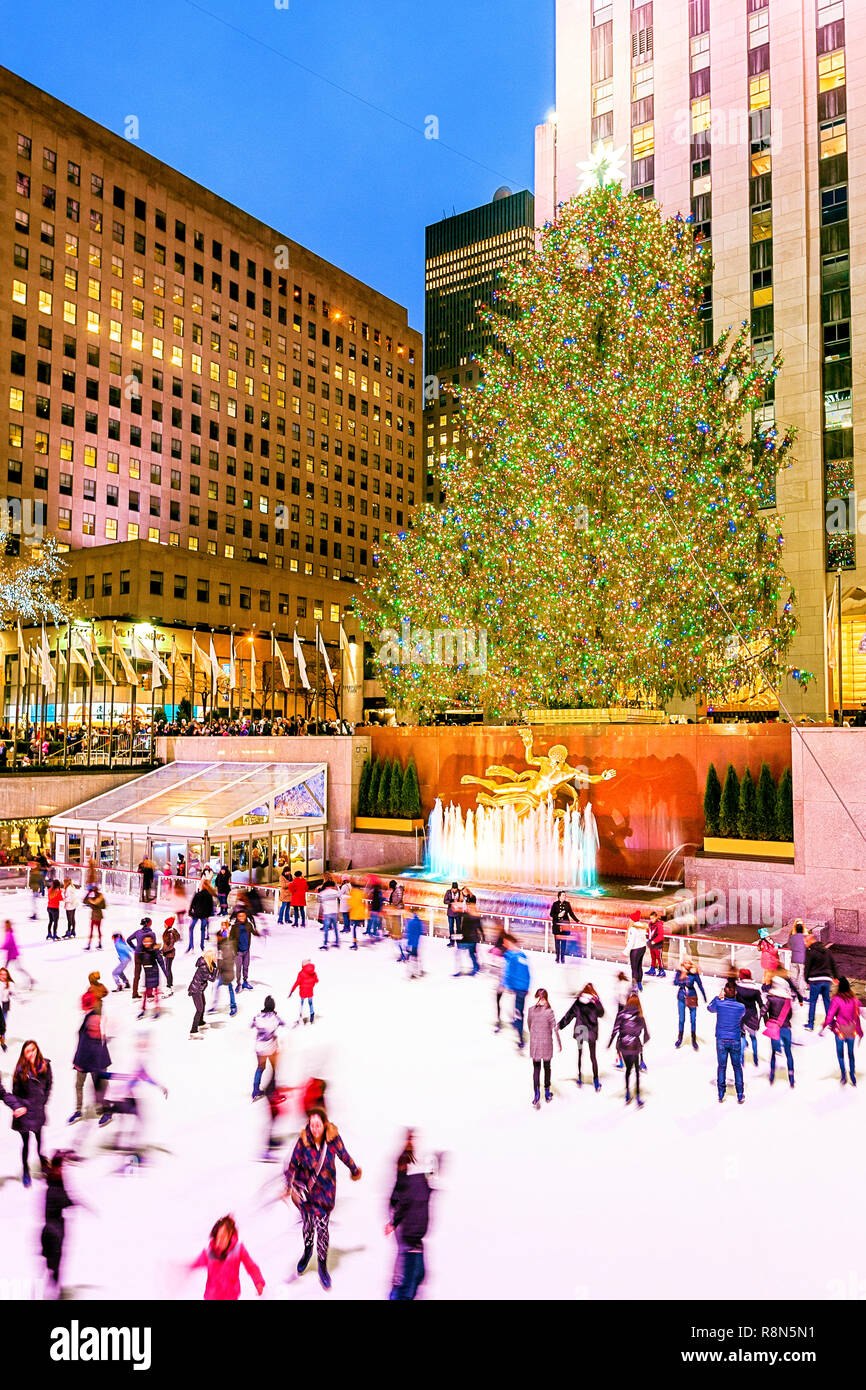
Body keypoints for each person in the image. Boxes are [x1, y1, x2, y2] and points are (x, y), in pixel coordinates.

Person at [282, 1107, 362, 1290]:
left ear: (324, 1124)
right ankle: (307, 1251)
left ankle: (322, 1265)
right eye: (312, 1125)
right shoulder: (303, 1141)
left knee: (323, 1231)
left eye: (318, 1125)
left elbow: (344, 1155)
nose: (315, 1129)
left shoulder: (332, 1140)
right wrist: (288, 1184)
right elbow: (293, 1163)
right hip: (306, 1196)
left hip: (325, 1195)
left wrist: (354, 1170)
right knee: (307, 1227)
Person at [386, 1131, 435, 1301]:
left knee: (417, 1271)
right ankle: (397, 1288)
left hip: (407, 1218)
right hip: (404, 1219)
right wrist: (394, 1221)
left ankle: (400, 1287)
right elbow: (402, 1198)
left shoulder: (418, 1179)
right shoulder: (407, 1171)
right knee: (405, 1258)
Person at [6, 1040, 52, 1186]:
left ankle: (41, 1161)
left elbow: (49, 1085)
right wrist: (21, 1107)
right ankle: (25, 1169)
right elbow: (15, 1093)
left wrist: (43, 1101)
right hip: (25, 1113)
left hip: (38, 1110)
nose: (31, 1053)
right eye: (28, 1051)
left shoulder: (45, 1065)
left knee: (39, 1140)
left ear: (37, 1050)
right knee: (26, 1143)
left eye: (33, 1050)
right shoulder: (20, 1070)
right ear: (24, 1055)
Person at [190, 1215, 265, 1301]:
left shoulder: (238, 1250)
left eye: (223, 1237)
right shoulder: (209, 1253)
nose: (219, 1241)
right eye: (218, 1237)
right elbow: (194, 1264)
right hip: (212, 1297)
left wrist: (258, 1281)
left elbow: (251, 1267)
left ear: (230, 1236)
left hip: (231, 1296)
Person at [40, 1151, 79, 1294]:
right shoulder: (57, 1186)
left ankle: (52, 1282)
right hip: (55, 1228)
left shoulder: (52, 1184)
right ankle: (54, 1287)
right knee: (56, 1260)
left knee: (52, 1261)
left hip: (49, 1227)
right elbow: (65, 1200)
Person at [558, 982, 605, 1091]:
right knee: (593, 1057)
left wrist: (560, 1025)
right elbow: (601, 1013)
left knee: (580, 1054)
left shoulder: (578, 1002)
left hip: (580, 1031)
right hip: (591, 1032)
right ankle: (596, 1080)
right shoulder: (594, 1002)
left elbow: (569, 1015)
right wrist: (597, 1001)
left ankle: (579, 1078)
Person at [68, 1009, 111, 1125]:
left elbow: (98, 1047)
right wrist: (77, 1062)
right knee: (78, 1085)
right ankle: (78, 1111)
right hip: (83, 1062)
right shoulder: (86, 1023)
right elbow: (81, 1043)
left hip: (96, 1063)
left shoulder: (97, 1026)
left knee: (100, 1087)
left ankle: (107, 1111)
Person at [708, 980, 746, 1104]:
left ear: (724, 992)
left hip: (721, 1040)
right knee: (737, 1067)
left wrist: (717, 998)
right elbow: (742, 1015)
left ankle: (721, 1093)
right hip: (735, 1039)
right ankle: (740, 1093)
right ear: (735, 993)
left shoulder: (719, 1004)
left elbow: (710, 1008)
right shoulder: (741, 1007)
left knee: (722, 1067)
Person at [608, 992, 649, 1106]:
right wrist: (642, 1042)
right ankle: (638, 1097)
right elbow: (646, 1035)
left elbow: (614, 1031)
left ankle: (627, 1094)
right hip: (635, 1047)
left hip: (624, 1046)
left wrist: (609, 1044)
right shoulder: (640, 1017)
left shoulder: (621, 1015)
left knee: (627, 1070)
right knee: (636, 1071)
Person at [764, 970, 804, 1088]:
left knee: (773, 1053)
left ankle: (772, 1075)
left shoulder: (771, 998)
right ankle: (791, 1078)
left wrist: (768, 1021)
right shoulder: (787, 999)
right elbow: (790, 1014)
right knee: (788, 1053)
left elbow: (764, 1010)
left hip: (775, 1029)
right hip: (786, 1028)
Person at [821, 977, 862, 1086]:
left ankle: (843, 1075)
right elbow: (857, 1017)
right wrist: (860, 1031)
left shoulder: (836, 999)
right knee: (851, 1054)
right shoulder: (854, 1000)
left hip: (840, 1031)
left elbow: (830, 1016)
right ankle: (852, 1075)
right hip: (851, 1031)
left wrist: (824, 1025)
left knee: (840, 1054)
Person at [528, 987, 561, 1106]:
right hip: (547, 1043)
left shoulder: (531, 1010)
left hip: (535, 1044)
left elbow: (529, 1025)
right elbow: (555, 1028)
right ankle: (547, 1093)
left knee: (536, 1069)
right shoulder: (549, 1012)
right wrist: (559, 1043)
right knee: (547, 1068)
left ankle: (536, 1094)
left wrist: (534, 1037)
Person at [251, 995, 285, 1100]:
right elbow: (285, 1024)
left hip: (259, 1048)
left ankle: (255, 1090)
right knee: (274, 1068)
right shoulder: (275, 1018)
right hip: (271, 1049)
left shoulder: (257, 1017)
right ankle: (273, 1092)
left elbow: (251, 1025)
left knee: (260, 1067)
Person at [502, 935, 531, 1049]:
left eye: (506, 942)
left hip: (516, 989)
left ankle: (520, 1038)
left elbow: (508, 972)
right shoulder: (521, 956)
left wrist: (506, 985)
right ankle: (517, 1025)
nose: (504, 945)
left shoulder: (511, 956)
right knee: (516, 1011)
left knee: (517, 1012)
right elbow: (527, 973)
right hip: (521, 988)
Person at [804, 935, 839, 1030]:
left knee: (813, 1002)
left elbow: (807, 967)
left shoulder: (810, 952)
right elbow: (833, 965)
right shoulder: (827, 951)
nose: (805, 944)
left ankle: (810, 1024)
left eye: (806, 942)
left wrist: (806, 980)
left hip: (815, 980)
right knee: (827, 1002)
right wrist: (836, 977)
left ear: (811, 941)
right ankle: (831, 1022)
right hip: (826, 980)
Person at [673, 957, 707, 1051]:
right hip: (681, 997)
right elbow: (675, 982)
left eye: (689, 963)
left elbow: (700, 984)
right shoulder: (680, 972)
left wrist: (704, 996)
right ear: (683, 964)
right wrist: (682, 976)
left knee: (693, 1019)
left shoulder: (694, 973)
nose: (687, 964)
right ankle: (679, 1038)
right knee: (681, 1019)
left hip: (692, 997)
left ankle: (693, 1039)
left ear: (691, 964)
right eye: (685, 963)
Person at [735, 968, 765, 1067]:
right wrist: (764, 1017)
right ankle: (755, 1058)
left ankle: (741, 1059)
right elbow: (761, 1004)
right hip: (752, 1016)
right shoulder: (755, 989)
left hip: (741, 1016)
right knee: (753, 1038)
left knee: (742, 1037)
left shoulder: (738, 987)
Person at [136, 933, 168, 1021]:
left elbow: (161, 962)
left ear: (152, 941)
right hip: (147, 973)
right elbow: (139, 963)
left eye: (149, 941)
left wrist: (166, 973)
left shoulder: (155, 950)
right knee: (146, 992)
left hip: (154, 972)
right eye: (145, 941)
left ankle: (157, 1009)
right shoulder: (141, 950)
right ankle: (143, 1009)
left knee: (156, 992)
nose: (147, 943)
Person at [188, 950, 218, 1039]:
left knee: (203, 1005)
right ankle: (193, 1031)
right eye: (214, 956)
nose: (215, 958)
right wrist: (216, 969)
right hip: (196, 990)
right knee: (199, 1009)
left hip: (199, 989)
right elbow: (212, 979)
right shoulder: (204, 967)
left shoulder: (206, 965)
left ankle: (200, 1022)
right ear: (210, 958)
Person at [209, 927, 237, 1017]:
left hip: (227, 972)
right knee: (219, 987)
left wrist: (220, 967)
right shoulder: (221, 945)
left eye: (218, 937)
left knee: (229, 988)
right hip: (222, 972)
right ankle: (215, 1005)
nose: (217, 938)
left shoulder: (226, 946)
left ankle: (233, 1006)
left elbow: (228, 960)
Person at [230, 907, 259, 991]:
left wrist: (258, 933)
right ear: (237, 917)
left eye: (243, 916)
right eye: (240, 916)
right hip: (238, 952)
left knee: (246, 967)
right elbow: (230, 938)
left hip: (246, 950)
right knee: (238, 968)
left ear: (246, 916)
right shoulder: (235, 927)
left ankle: (245, 982)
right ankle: (238, 983)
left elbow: (253, 932)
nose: (242, 918)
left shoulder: (249, 925)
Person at [126, 917, 155, 1000]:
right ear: (149, 923)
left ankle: (134, 993)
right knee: (149, 974)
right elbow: (152, 946)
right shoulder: (151, 933)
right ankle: (149, 993)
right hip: (147, 955)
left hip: (138, 955)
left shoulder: (138, 932)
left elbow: (128, 940)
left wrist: (135, 948)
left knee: (136, 975)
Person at [454, 894, 481, 976]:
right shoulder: (476, 917)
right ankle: (476, 967)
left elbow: (458, 914)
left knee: (459, 953)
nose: (468, 909)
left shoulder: (468, 916)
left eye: (469, 908)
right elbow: (479, 928)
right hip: (472, 939)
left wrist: (457, 906)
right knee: (471, 954)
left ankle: (460, 970)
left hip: (468, 939)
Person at [550, 890, 579, 965]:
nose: (564, 896)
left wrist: (577, 921)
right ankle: (557, 957)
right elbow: (551, 914)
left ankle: (562, 958)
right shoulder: (555, 904)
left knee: (563, 943)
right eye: (563, 895)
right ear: (559, 896)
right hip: (557, 925)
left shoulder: (567, 904)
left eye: (565, 895)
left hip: (565, 926)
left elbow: (571, 914)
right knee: (557, 943)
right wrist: (558, 916)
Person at [2, 920, 32, 989]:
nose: (5, 927)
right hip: (10, 954)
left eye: (6, 925)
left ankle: (30, 980)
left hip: (13, 955)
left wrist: (2, 947)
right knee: (6, 969)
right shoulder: (8, 933)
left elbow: (9, 944)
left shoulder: (9, 933)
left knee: (18, 969)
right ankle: (5, 985)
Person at [188, 881, 214, 954]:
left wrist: (190, 911)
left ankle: (191, 945)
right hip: (204, 915)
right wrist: (208, 915)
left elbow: (192, 903)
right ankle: (201, 946)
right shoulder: (208, 895)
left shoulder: (198, 894)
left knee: (191, 928)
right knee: (202, 930)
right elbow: (210, 907)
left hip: (197, 914)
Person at [289, 959, 318, 1024]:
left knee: (302, 1004)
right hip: (310, 991)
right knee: (310, 1003)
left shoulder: (301, 973)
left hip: (303, 992)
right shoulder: (313, 973)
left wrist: (292, 991)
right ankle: (312, 1015)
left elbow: (297, 983)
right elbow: (316, 980)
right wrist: (312, 984)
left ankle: (300, 1016)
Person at [624, 910, 647, 991]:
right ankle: (639, 983)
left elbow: (631, 942)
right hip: (643, 948)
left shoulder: (632, 929)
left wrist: (625, 951)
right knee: (639, 966)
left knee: (634, 968)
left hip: (635, 949)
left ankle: (635, 985)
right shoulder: (641, 926)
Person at [317, 877, 341, 951]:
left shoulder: (322, 893)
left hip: (327, 913)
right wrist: (337, 887)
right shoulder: (335, 892)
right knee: (335, 928)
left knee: (326, 929)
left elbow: (318, 900)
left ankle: (325, 943)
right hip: (334, 912)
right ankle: (337, 941)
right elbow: (340, 895)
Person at [785, 920, 808, 995]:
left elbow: (789, 946)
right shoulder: (806, 937)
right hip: (803, 960)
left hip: (794, 959)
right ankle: (802, 993)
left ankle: (793, 992)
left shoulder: (792, 937)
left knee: (794, 976)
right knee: (801, 976)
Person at [83, 884, 106, 952]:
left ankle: (89, 945)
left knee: (91, 931)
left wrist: (88, 893)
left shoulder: (91, 899)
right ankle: (100, 944)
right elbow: (104, 906)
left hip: (94, 916)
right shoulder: (101, 898)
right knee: (99, 930)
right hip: (99, 916)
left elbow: (84, 901)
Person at [161, 916, 181, 992]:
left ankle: (169, 984)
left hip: (170, 954)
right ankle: (169, 983)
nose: (164, 924)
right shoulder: (168, 931)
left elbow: (170, 945)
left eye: (165, 923)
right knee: (168, 969)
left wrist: (164, 951)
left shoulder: (170, 933)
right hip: (168, 953)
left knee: (168, 969)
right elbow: (166, 944)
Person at [404, 907, 424, 978]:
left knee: (411, 959)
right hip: (416, 943)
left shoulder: (410, 922)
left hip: (411, 943)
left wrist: (407, 944)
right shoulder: (419, 922)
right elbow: (421, 931)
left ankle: (412, 972)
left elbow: (408, 933)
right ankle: (417, 971)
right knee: (416, 958)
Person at [347, 879, 365, 949]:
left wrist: (348, 900)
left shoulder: (353, 893)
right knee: (356, 928)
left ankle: (354, 943)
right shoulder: (361, 892)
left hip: (355, 914)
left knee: (354, 928)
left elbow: (352, 903)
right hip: (361, 913)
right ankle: (355, 941)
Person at [646, 911, 665, 976]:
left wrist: (654, 941)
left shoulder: (659, 925)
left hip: (658, 945)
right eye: (650, 918)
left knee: (659, 958)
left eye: (653, 918)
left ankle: (662, 970)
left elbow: (661, 936)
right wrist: (648, 939)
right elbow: (649, 932)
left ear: (656, 917)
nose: (651, 920)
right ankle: (652, 969)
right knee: (653, 957)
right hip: (652, 944)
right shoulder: (650, 924)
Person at [444, 882, 462, 947]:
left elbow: (463, 901)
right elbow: (445, 901)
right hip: (450, 913)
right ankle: (452, 942)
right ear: (452, 888)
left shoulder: (460, 892)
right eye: (454, 889)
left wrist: (459, 902)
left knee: (458, 928)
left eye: (456, 889)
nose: (454, 890)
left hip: (458, 913)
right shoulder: (448, 892)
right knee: (451, 928)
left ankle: (459, 942)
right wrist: (451, 901)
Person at [46, 877, 62, 941]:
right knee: (55, 922)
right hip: (55, 908)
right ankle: (55, 934)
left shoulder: (49, 890)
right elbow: (61, 899)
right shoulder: (58, 891)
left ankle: (49, 933)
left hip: (49, 907)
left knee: (50, 921)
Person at [0, 966, 12, 1052]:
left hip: (5, 1007)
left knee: (2, 1027)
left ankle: (2, 1043)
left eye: (5, 974)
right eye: (1, 974)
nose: (3, 976)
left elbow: (14, 994)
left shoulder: (9, 984)